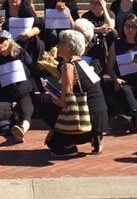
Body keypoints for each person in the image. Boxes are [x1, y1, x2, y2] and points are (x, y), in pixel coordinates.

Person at [41, 29, 109, 157]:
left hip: (83, 122)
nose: (57, 45)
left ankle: (68, 145)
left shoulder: (68, 67)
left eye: (61, 42)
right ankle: (95, 136)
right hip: (100, 120)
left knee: (44, 103)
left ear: (70, 47)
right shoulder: (83, 63)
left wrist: (52, 97)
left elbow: (64, 102)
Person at [105, 14, 137, 134]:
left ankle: (132, 119)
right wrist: (115, 78)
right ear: (122, 27)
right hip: (125, 80)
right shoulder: (116, 44)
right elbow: (110, 67)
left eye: (133, 27)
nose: (130, 29)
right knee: (126, 89)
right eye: (127, 26)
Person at [0, 31, 36, 143]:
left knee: (26, 112)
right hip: (7, 97)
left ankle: (22, 129)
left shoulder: (20, 53)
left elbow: (33, 70)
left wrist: (41, 90)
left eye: (2, 40)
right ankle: (13, 122)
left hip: (24, 93)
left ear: (10, 41)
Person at [0, 0, 44, 74]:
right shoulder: (2, 12)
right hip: (8, 41)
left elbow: (38, 27)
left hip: (25, 39)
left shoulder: (27, 11)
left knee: (36, 40)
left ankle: (31, 68)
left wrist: (29, 34)